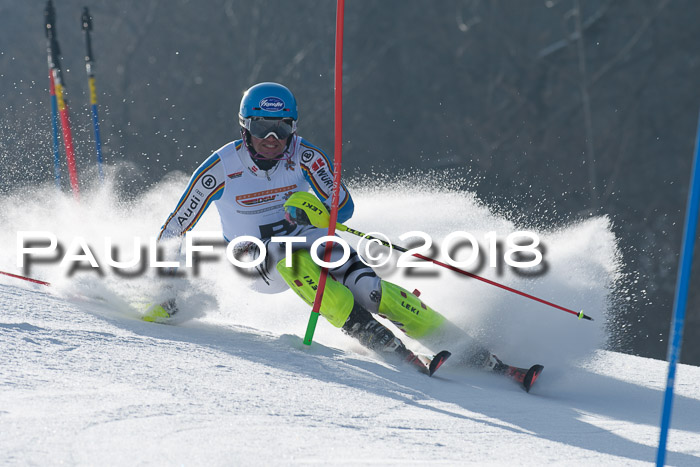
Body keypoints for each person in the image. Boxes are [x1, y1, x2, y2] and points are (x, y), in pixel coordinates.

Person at [149, 82, 508, 376]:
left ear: (294, 127)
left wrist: (319, 211)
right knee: (294, 260)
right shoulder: (221, 168)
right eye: (261, 128)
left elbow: (345, 208)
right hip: (254, 257)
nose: (272, 139)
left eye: (283, 128)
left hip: (305, 235)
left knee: (368, 288)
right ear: (245, 126)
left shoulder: (305, 156)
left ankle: (462, 346)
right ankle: (371, 334)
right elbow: (176, 226)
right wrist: (166, 286)